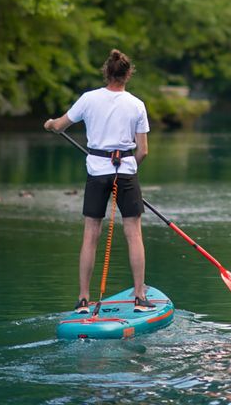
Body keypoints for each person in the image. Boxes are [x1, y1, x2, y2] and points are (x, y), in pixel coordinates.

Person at [44, 49, 153, 314]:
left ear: (107, 72)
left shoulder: (88, 99)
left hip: (96, 172)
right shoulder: (137, 104)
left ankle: (83, 299)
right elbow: (143, 150)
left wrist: (50, 125)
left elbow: (60, 125)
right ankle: (139, 297)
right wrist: (129, 169)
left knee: (91, 234)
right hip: (125, 173)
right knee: (134, 234)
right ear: (128, 74)